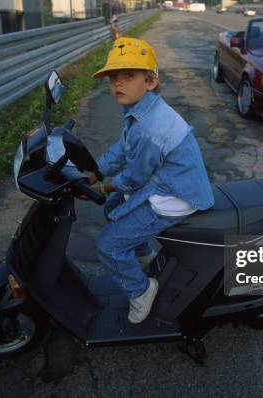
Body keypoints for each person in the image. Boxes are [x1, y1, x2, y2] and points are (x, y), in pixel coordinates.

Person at [87, 37, 215, 324]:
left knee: (108, 245)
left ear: (151, 81)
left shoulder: (150, 128)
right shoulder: (140, 109)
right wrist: (95, 171)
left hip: (174, 195)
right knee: (111, 209)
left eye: (128, 76)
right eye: (113, 78)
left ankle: (141, 290)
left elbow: (133, 178)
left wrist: (103, 187)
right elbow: (123, 148)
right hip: (160, 181)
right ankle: (143, 255)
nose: (118, 84)